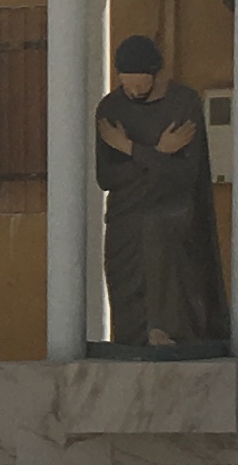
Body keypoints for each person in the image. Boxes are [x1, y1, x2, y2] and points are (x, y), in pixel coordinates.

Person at [96, 37, 226, 350]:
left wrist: (130, 149)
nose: (135, 93)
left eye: (142, 87)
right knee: (126, 284)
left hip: (173, 210)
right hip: (125, 213)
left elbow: (182, 174)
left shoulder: (183, 103)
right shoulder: (111, 108)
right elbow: (108, 177)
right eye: (128, 87)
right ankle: (132, 341)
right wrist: (159, 153)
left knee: (159, 236)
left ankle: (168, 332)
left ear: (157, 76)